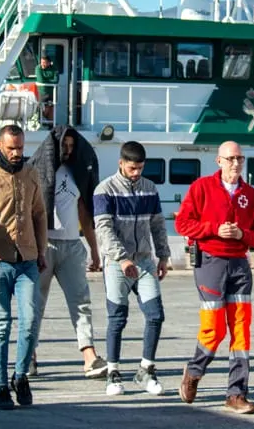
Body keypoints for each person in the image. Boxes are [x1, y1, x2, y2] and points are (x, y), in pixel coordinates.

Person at [176, 141, 254, 415]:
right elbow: (183, 224)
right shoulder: (201, 188)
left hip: (239, 264)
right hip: (210, 262)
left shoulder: (249, 195)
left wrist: (243, 236)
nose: (236, 164)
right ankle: (194, 371)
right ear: (218, 161)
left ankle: (236, 393)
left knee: (241, 329)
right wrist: (215, 229)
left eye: (240, 158)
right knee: (214, 328)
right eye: (230, 159)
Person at [0, 125, 47, 410]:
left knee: (29, 322)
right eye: (11, 148)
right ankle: (0, 385)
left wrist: (41, 249)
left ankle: (21, 375)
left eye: (20, 148)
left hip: (26, 259)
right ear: (0, 146)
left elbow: (39, 213)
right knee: (1, 325)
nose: (16, 153)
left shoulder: (31, 173)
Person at [28, 126, 107, 379]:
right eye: (65, 146)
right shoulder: (37, 171)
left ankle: (89, 356)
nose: (68, 151)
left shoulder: (76, 173)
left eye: (72, 147)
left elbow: (85, 213)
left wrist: (95, 249)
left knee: (81, 302)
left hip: (72, 246)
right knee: (34, 304)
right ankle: (29, 354)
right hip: (45, 245)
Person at [93, 141, 170, 397]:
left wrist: (163, 256)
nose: (136, 173)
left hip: (145, 261)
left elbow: (158, 224)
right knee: (117, 318)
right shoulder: (105, 190)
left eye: (140, 168)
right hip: (117, 264)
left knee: (155, 315)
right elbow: (103, 230)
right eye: (132, 168)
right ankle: (113, 372)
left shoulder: (150, 189)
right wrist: (122, 258)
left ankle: (146, 370)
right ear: (121, 163)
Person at [34, 53, 59, 122]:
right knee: (44, 108)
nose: (43, 64)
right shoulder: (38, 68)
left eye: (44, 63)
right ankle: (41, 122)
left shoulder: (54, 68)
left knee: (51, 107)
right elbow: (41, 80)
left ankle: (51, 124)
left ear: (49, 63)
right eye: (42, 62)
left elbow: (56, 80)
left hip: (52, 92)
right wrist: (50, 80)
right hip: (42, 92)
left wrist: (46, 81)